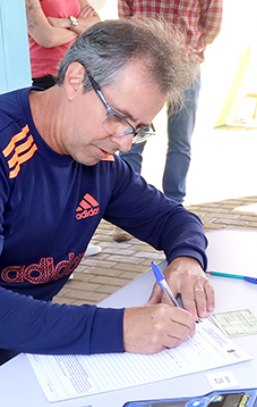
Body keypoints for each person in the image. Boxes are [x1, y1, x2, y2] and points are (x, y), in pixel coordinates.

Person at [0, 19, 215, 366]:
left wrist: (187, 261)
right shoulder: (6, 144)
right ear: (75, 79)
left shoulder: (100, 164)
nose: (123, 142)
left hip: (24, 355)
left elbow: (172, 218)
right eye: (118, 116)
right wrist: (122, 329)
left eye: (138, 129)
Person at [116, 0, 223, 211]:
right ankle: (170, 207)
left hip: (147, 61)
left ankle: (129, 208)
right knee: (175, 141)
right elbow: (212, 25)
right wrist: (190, 44)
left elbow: (125, 15)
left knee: (132, 137)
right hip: (176, 60)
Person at [25, 0, 103, 256]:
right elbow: (45, 37)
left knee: (73, 163)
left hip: (73, 79)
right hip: (43, 81)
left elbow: (96, 25)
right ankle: (45, 247)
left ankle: (72, 240)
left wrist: (66, 24)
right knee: (46, 168)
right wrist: (77, 26)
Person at [25, 0, 100, 90]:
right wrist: (79, 27)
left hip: (79, 71)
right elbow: (48, 38)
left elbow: (97, 26)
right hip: (48, 77)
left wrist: (67, 23)